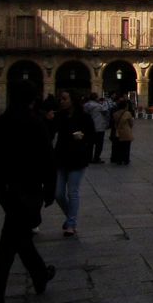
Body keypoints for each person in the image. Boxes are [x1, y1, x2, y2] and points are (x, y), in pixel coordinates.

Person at [0, 81, 56, 303]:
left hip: (7, 191)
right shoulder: (35, 123)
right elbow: (47, 158)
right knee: (8, 247)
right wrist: (50, 188)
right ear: (32, 100)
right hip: (28, 189)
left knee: (21, 238)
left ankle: (40, 274)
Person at [52, 90, 95, 237]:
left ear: (73, 100)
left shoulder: (84, 117)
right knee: (58, 194)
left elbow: (91, 136)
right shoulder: (59, 116)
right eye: (61, 99)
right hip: (61, 158)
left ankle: (71, 223)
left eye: (64, 98)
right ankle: (70, 217)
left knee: (72, 192)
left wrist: (83, 140)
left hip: (77, 158)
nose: (61, 101)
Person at [83, 92, 110, 164]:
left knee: (89, 144)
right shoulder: (99, 106)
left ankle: (88, 158)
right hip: (99, 127)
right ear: (95, 98)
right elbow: (106, 113)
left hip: (89, 128)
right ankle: (96, 158)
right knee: (99, 144)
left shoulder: (85, 105)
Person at [110, 96, 134, 165]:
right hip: (126, 131)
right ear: (125, 106)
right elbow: (131, 123)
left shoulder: (115, 114)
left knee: (119, 146)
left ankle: (119, 159)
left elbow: (113, 122)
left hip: (118, 132)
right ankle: (126, 159)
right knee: (126, 146)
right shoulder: (127, 113)